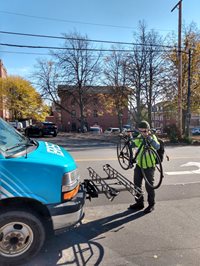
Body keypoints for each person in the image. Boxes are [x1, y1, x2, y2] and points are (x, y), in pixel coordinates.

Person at [129, 120, 160, 214]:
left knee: (149, 186)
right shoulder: (139, 137)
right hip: (139, 165)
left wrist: (149, 138)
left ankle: (151, 205)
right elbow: (133, 144)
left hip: (149, 167)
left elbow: (157, 146)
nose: (143, 133)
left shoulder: (152, 137)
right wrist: (130, 138)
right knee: (136, 184)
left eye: (144, 131)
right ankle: (139, 203)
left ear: (148, 130)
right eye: (141, 131)